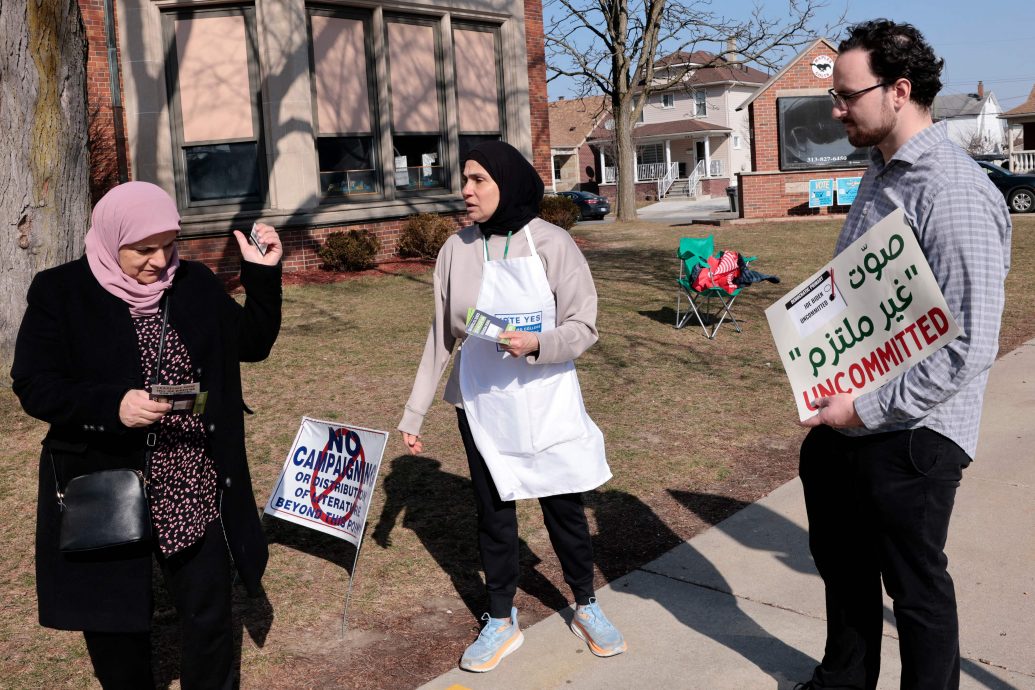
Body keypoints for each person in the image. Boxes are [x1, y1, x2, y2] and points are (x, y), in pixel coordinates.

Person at [794, 20, 1012, 690]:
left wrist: (864, 409)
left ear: (899, 90)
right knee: (843, 571)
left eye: (846, 96)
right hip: (846, 418)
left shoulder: (952, 191)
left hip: (915, 433)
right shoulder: (877, 173)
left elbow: (969, 343)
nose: (834, 110)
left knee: (914, 593)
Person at [11, 181, 283, 689]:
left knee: (208, 616)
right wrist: (111, 406)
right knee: (116, 629)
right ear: (112, 240)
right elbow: (33, 383)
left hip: (191, 477)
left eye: (169, 244)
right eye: (143, 249)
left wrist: (263, 278)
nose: (160, 261)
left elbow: (250, 344)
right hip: (107, 483)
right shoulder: (60, 292)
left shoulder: (194, 284)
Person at [398, 140, 625, 672]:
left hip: (545, 400)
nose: (466, 190)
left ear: (507, 182)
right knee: (493, 514)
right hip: (481, 404)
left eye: (478, 180)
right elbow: (441, 336)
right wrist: (415, 411)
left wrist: (537, 345)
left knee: (564, 509)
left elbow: (583, 326)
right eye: (465, 180)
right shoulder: (456, 249)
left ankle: (586, 604)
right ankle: (501, 619)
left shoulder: (552, 243)